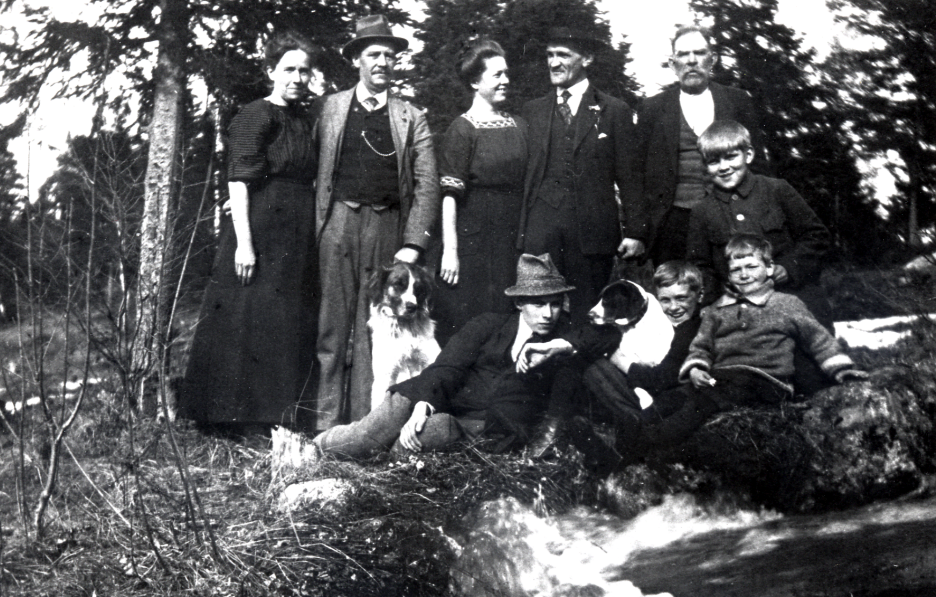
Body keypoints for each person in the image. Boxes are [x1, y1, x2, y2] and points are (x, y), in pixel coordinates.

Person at [314, 254, 619, 460]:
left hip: (470, 424)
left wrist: (558, 346)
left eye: (555, 304)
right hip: (426, 395)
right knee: (367, 437)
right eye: (539, 304)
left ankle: (368, 469)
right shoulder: (487, 325)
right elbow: (446, 368)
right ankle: (314, 447)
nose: (548, 314)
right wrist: (423, 404)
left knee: (415, 441)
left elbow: (608, 334)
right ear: (520, 303)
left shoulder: (563, 336)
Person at [617, 234, 866, 462]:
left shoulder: (787, 304)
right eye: (736, 270)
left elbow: (819, 341)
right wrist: (695, 368)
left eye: (752, 267)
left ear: (769, 268)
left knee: (704, 403)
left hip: (767, 380)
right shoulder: (717, 310)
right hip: (724, 377)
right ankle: (633, 428)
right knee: (678, 396)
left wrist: (842, 370)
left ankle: (649, 441)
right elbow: (701, 346)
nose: (744, 274)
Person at [180, 32, 319, 435]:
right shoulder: (256, 114)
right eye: (288, 69)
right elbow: (239, 181)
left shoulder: (304, 119)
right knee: (251, 321)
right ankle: (240, 422)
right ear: (270, 71)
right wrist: (244, 243)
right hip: (260, 231)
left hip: (297, 234)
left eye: (304, 71)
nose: (296, 77)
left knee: (286, 322)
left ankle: (280, 417)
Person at [313, 14, 439, 431]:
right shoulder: (330, 108)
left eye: (389, 55)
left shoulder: (410, 116)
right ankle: (326, 427)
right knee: (333, 325)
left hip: (388, 229)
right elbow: (306, 163)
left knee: (377, 332)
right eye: (374, 54)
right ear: (357, 61)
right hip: (339, 223)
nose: (383, 62)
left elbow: (427, 184)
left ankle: (367, 427)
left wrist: (413, 244)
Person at [687, 120, 833, 394]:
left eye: (731, 156)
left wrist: (787, 268)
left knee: (813, 381)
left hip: (796, 297)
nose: (724, 166)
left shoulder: (778, 190)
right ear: (705, 166)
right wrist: (714, 301)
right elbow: (701, 266)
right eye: (714, 161)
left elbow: (817, 237)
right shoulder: (702, 212)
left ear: (749, 155)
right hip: (743, 314)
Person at [519, 25, 646, 324]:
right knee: (540, 317)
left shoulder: (614, 111)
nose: (553, 63)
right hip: (542, 235)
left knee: (588, 317)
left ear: (586, 58)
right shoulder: (532, 111)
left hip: (592, 237)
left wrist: (637, 231)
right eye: (549, 55)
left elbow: (630, 176)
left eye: (563, 55)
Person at [521, 261, 703, 460]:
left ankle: (605, 444)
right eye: (665, 300)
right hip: (640, 396)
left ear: (699, 296)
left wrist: (618, 359)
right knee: (587, 357)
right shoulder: (656, 321)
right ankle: (555, 428)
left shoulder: (695, 328)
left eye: (682, 299)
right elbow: (602, 336)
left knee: (593, 362)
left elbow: (661, 379)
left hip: (666, 403)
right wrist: (559, 345)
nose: (673, 307)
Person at [636, 24, 764, 266]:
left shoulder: (737, 101)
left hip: (728, 214)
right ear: (673, 64)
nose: (692, 61)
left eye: (699, 53)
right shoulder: (652, 108)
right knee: (677, 295)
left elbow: (758, 163)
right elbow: (636, 171)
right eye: (683, 55)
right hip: (671, 222)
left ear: (712, 59)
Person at [435, 39, 528, 342]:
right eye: (497, 75)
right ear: (475, 81)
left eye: (507, 74)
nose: (506, 81)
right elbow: (449, 196)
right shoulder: (462, 129)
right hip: (474, 242)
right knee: (473, 322)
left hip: (513, 237)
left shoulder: (520, 126)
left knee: (510, 316)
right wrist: (450, 251)